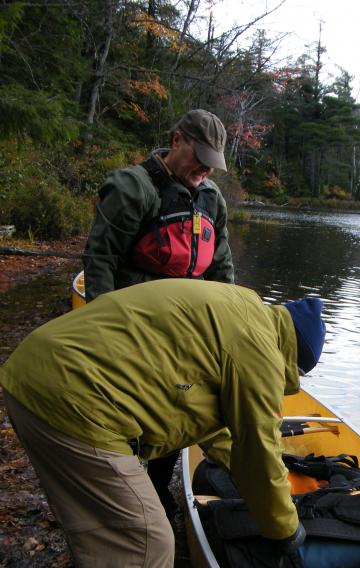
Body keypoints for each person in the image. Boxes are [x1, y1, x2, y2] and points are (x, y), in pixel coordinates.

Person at [0, 280, 326, 568]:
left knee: (105, 536)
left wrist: (260, 485)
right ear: (295, 359)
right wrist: (285, 528)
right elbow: (259, 449)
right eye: (298, 376)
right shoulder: (262, 349)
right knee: (148, 539)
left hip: (33, 378)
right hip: (76, 400)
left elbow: (219, 428)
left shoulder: (240, 312)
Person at [83, 108, 235, 520]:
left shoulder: (212, 200)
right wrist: (101, 331)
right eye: (199, 155)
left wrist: (231, 328)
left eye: (212, 162)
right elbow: (100, 260)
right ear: (177, 139)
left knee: (180, 410)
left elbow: (221, 268)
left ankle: (156, 486)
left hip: (184, 332)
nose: (205, 168)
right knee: (131, 413)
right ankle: (123, 496)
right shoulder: (134, 188)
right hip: (133, 326)